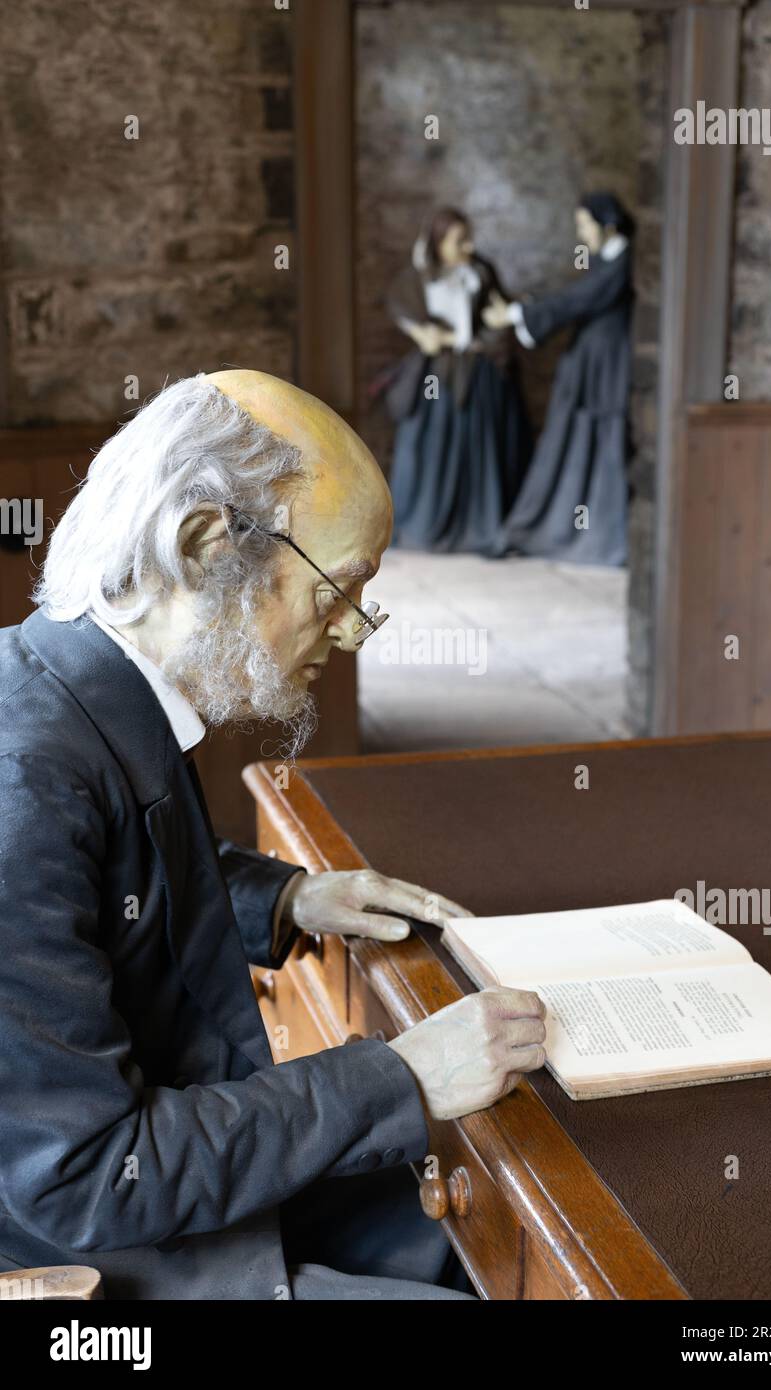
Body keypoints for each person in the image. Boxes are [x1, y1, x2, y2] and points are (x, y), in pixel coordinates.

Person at [0, 370, 547, 1300]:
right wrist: (399, 1076)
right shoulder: (24, 787)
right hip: (96, 1261)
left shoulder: (76, 683)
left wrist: (286, 895)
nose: (348, 634)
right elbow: (88, 1175)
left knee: (483, 1230)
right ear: (206, 545)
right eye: (340, 590)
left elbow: (105, 890)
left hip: (165, 1185)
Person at [483, 192, 635, 565]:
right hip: (592, 362)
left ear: (608, 224)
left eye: (585, 224)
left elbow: (581, 298)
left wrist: (520, 313)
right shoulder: (608, 260)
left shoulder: (624, 263)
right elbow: (577, 297)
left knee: (603, 438)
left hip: (608, 367)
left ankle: (600, 535)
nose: (581, 233)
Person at [382, 207, 533, 553]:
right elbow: (403, 308)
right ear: (438, 242)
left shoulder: (480, 272)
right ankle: (425, 525)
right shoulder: (421, 277)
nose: (467, 246)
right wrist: (422, 332)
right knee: (430, 448)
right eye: (457, 240)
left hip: (476, 372)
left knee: (476, 448)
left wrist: (504, 320)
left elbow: (497, 313)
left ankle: (476, 524)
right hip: (437, 374)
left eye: (468, 238)